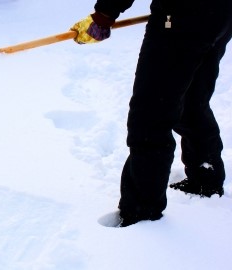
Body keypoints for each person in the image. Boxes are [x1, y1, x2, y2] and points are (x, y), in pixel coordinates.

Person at [71, 0, 232, 227]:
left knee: (150, 116)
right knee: (191, 102)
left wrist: (103, 15)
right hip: (220, 15)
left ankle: (141, 211)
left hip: (180, 20)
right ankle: (206, 180)